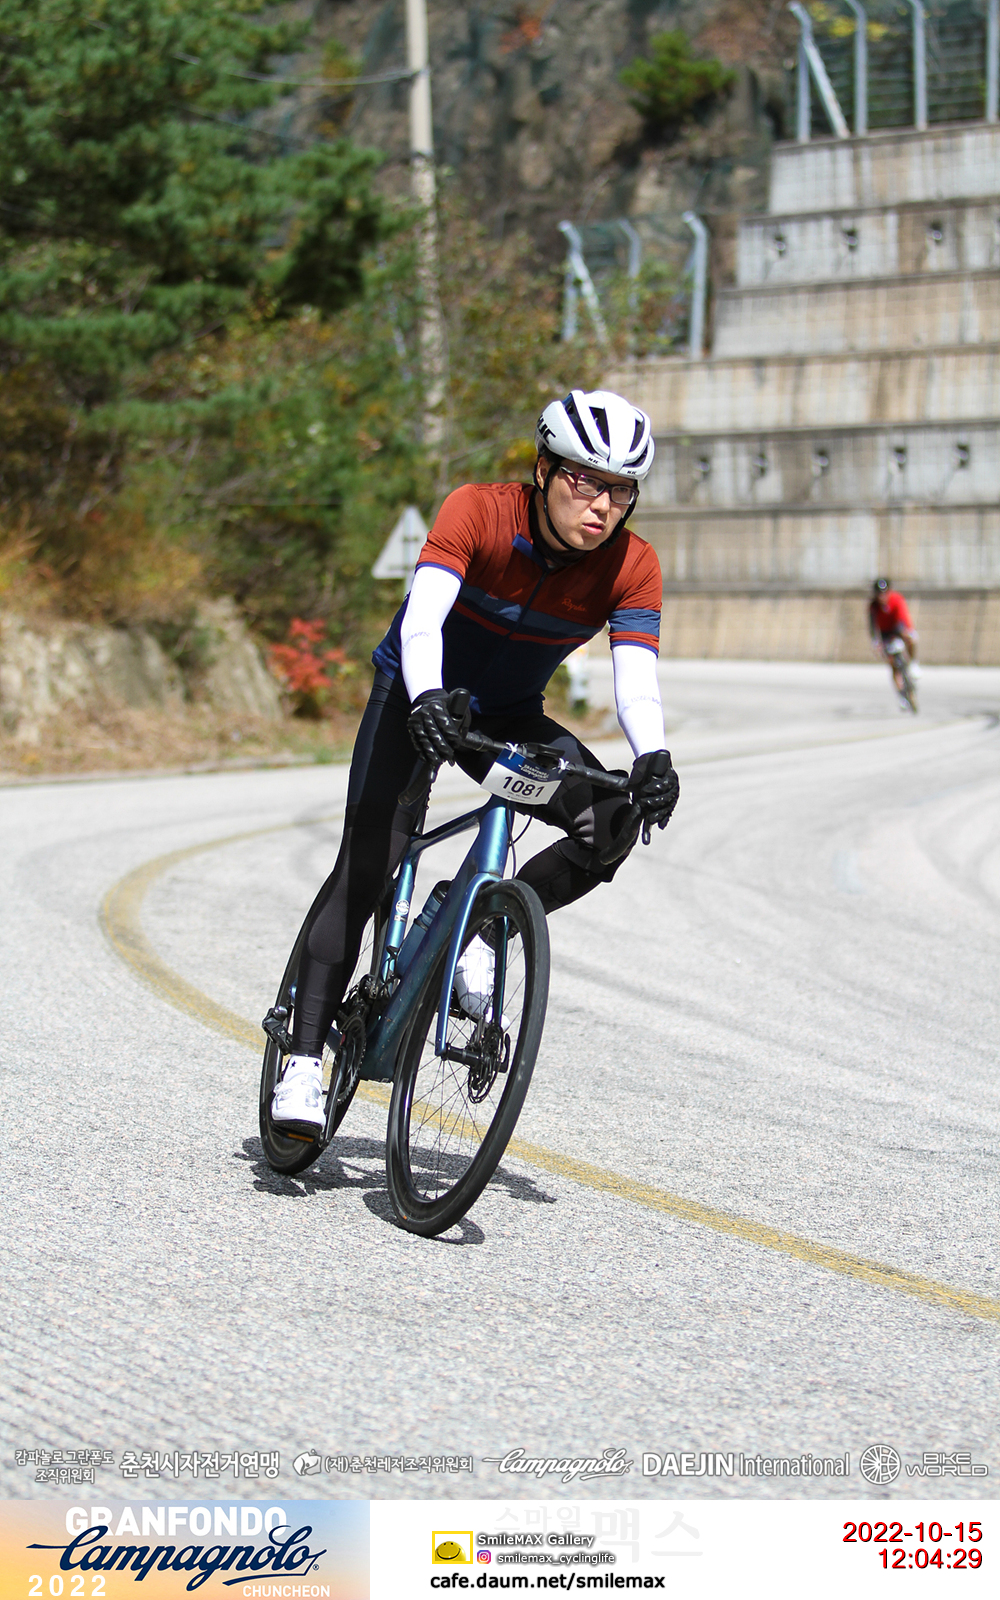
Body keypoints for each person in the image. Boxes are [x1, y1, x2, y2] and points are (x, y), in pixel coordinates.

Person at [271, 388, 680, 1134]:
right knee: (370, 862)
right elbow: (423, 618)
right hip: (419, 694)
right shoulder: (478, 511)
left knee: (611, 823)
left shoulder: (633, 564)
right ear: (544, 469)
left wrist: (652, 755)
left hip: (509, 714)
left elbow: (637, 679)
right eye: (584, 480)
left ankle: (480, 934)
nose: (602, 505)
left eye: (622, 490)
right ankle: (302, 1061)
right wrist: (427, 698)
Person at [869, 577, 920, 708]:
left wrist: (907, 633)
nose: (882, 596)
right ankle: (901, 695)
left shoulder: (897, 599)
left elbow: (904, 618)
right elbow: (872, 627)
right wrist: (876, 643)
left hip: (899, 628)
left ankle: (913, 663)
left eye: (884, 593)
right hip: (885, 633)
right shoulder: (873, 606)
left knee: (912, 639)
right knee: (893, 665)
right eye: (879, 594)